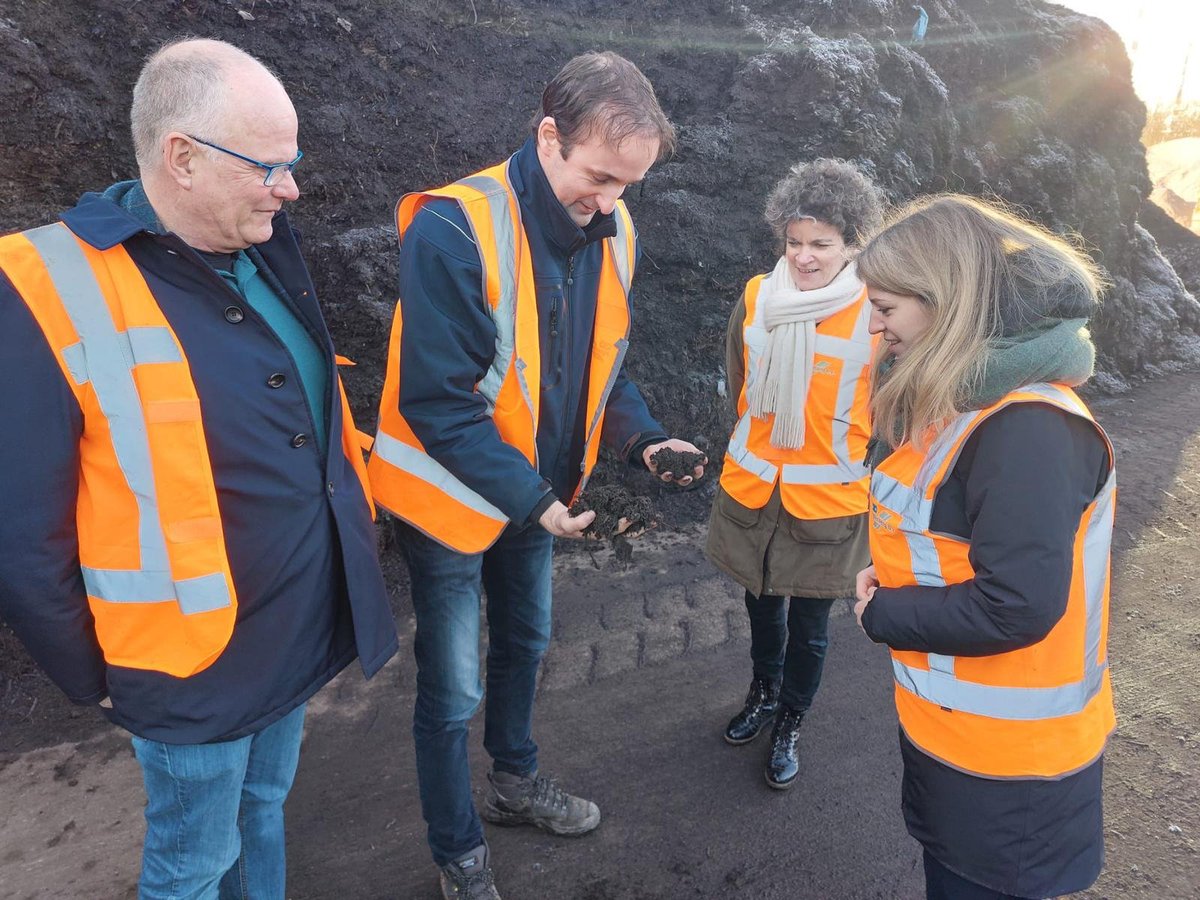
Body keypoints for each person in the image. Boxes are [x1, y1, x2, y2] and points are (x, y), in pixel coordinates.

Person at [0, 39, 397, 899]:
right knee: (190, 868)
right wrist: (95, 678)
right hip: (186, 666)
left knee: (264, 813)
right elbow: (23, 532)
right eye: (270, 166)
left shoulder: (258, 240)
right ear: (180, 157)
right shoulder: (37, 283)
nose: (290, 188)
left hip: (293, 630)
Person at [368, 51, 705, 898]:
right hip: (452, 502)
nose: (611, 202)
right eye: (598, 177)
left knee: (525, 644)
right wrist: (536, 498)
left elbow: (603, 366)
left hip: (539, 499)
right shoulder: (453, 225)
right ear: (547, 135)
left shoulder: (612, 228)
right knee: (451, 690)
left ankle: (514, 786)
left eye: (629, 184)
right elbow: (439, 404)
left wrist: (645, 442)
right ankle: (459, 852)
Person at [852, 195, 1115, 900]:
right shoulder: (972, 399)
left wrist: (885, 613)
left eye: (885, 308)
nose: (875, 327)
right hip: (964, 745)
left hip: (1012, 773)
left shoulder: (1027, 427)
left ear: (946, 302)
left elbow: (1016, 607)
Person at [706, 159, 883, 788]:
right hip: (756, 494)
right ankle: (762, 693)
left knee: (809, 629)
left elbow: (891, 412)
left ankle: (791, 720)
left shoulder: (875, 313)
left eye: (821, 244)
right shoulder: (757, 296)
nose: (804, 257)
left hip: (827, 508)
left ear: (852, 243)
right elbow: (739, 383)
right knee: (761, 611)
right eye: (794, 242)